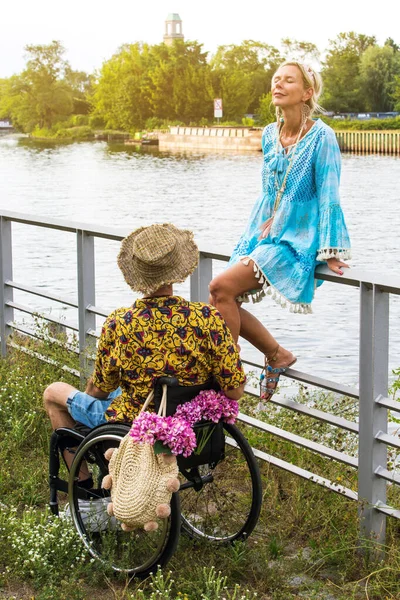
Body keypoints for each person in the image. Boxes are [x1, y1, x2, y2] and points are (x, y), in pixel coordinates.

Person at [44, 223, 246, 478]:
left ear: (136, 275)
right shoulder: (207, 318)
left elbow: (100, 388)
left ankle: (84, 492)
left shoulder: (121, 322)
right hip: (192, 423)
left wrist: (88, 398)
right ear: (177, 272)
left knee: (54, 393)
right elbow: (235, 390)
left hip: (133, 425)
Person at [209, 61, 351, 401]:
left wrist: (330, 250)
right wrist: (266, 223)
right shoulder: (270, 134)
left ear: (307, 93)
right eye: (275, 79)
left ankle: (227, 381)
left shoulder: (323, 137)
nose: (279, 84)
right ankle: (276, 354)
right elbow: (272, 191)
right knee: (219, 301)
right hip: (264, 232)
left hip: (298, 238)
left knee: (219, 287)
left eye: (289, 80)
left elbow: (330, 193)